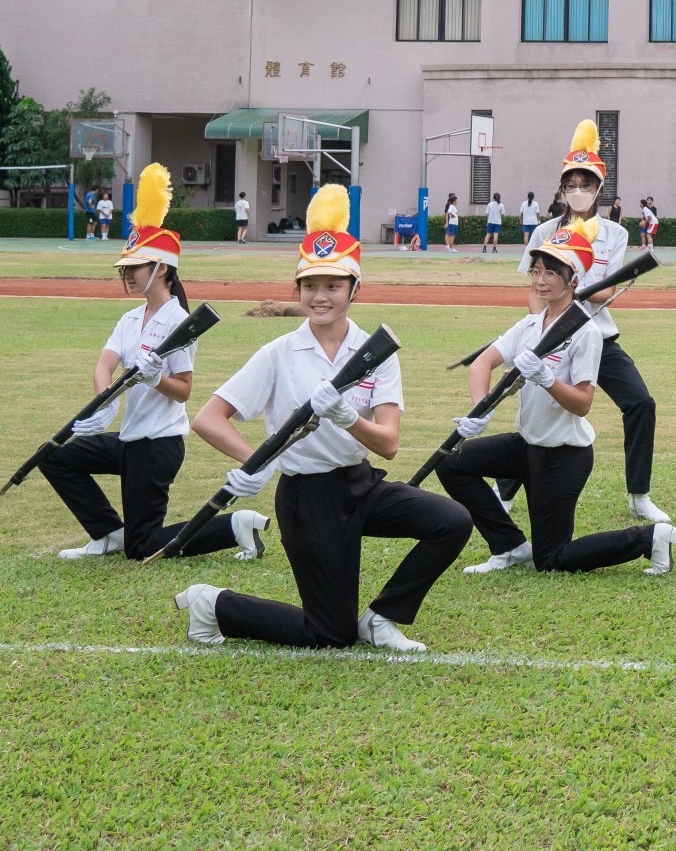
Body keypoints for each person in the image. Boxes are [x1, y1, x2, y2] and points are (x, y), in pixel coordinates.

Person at [173, 184, 472, 653]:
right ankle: (214, 605)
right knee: (329, 634)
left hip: (361, 485)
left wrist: (345, 416)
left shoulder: (377, 353)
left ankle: (382, 617)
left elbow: (389, 444)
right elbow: (209, 418)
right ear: (297, 289)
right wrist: (258, 462)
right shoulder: (279, 352)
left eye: (333, 285)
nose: (321, 296)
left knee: (451, 520)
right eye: (310, 285)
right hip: (306, 497)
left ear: (355, 288)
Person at [435, 219, 676, 578]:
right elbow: (483, 361)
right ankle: (508, 546)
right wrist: (480, 409)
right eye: (536, 271)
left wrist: (546, 378)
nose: (540, 279)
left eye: (551, 272)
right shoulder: (530, 325)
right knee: (452, 462)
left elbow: (583, 403)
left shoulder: (586, 333)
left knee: (552, 557)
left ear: (573, 278)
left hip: (563, 456)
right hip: (526, 446)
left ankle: (650, 539)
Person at [45, 164, 261, 563]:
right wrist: (104, 401)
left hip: (158, 443)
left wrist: (156, 378)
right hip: (129, 436)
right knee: (56, 457)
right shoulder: (130, 318)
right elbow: (104, 364)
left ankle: (235, 525)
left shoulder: (180, 323)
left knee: (143, 546)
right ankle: (108, 532)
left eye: (135, 268)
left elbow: (183, 391)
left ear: (161, 268)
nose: (127, 275)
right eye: (125, 268)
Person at [513, 120, 668, 524]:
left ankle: (639, 495)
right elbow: (535, 289)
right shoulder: (545, 232)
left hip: (598, 335)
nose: (578, 190)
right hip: (550, 339)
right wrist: (539, 331)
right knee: (535, 413)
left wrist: (573, 289)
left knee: (640, 403)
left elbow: (606, 291)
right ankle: (505, 490)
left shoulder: (614, 233)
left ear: (599, 188)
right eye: (571, 183)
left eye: (586, 183)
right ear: (561, 189)